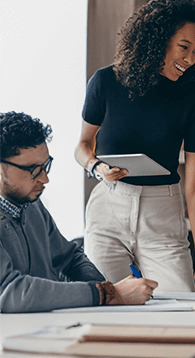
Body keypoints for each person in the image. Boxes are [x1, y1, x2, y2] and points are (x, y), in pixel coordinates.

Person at [74, 0, 195, 293]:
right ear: (158, 40)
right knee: (107, 302)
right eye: (184, 47)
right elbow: (82, 146)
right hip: (108, 206)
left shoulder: (194, 99)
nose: (191, 59)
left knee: (181, 302)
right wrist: (97, 167)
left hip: (162, 213)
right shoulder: (105, 82)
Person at [0, 112, 157, 313]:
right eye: (33, 169)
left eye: (45, 166)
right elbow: (9, 291)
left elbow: (70, 258)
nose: (45, 179)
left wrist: (107, 291)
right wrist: (106, 295)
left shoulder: (31, 205)